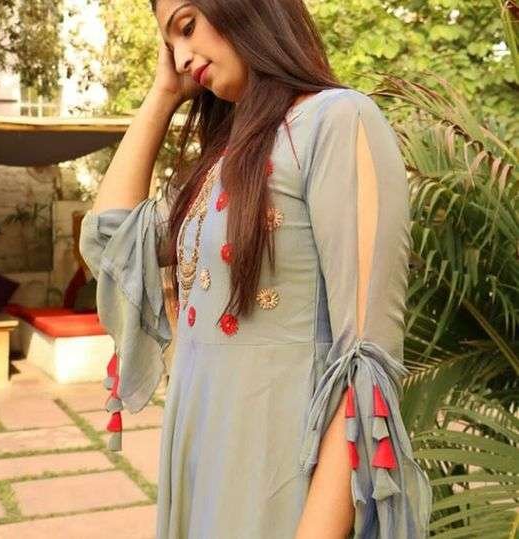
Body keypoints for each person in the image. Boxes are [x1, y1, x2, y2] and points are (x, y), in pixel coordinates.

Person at [79, 0, 433, 537]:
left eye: (187, 26)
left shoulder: (337, 120)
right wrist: (163, 95)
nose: (181, 56)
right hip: (202, 462)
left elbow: (366, 368)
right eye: (170, 44)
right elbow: (111, 242)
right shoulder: (216, 164)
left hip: (279, 473)